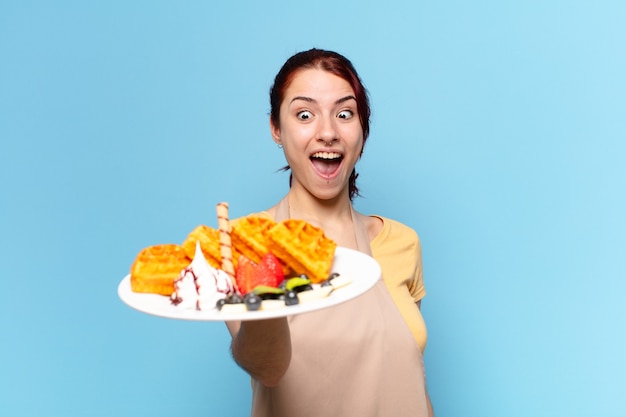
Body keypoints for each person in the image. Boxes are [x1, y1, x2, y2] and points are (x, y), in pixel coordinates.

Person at [225, 48, 433, 417]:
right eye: (305, 114)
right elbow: (266, 367)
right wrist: (266, 293)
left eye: (344, 114)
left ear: (362, 131)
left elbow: (408, 379)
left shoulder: (402, 242)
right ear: (276, 128)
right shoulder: (249, 241)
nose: (327, 133)